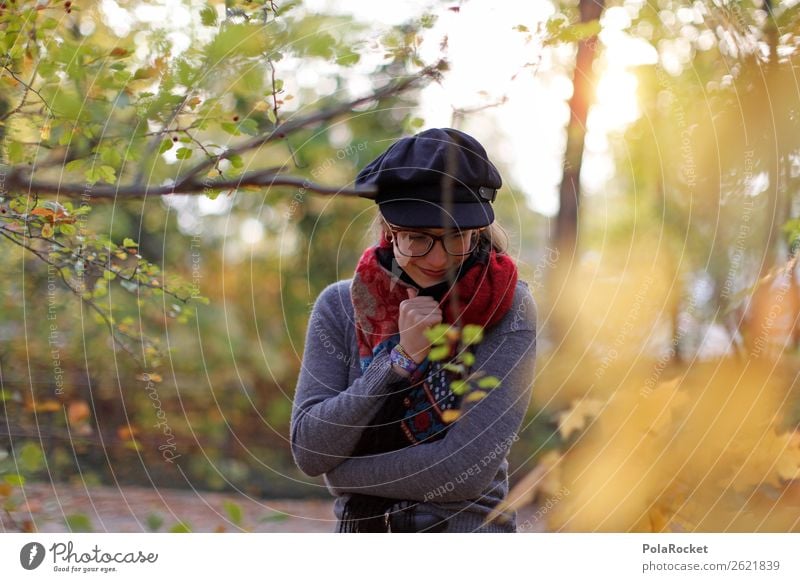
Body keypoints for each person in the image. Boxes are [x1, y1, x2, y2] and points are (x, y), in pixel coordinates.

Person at [290, 128, 537, 532]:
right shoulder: (338, 307)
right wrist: (398, 361)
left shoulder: (508, 308)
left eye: (456, 237)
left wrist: (342, 474)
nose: (438, 259)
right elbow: (311, 449)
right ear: (389, 230)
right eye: (418, 238)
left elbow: (466, 470)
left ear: (477, 231)